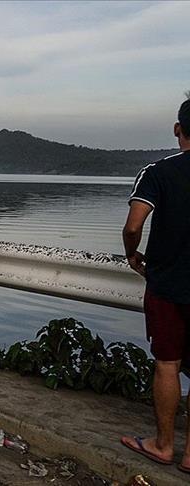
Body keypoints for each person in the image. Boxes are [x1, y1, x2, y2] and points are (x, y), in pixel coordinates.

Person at [120, 98, 190, 473]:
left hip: (167, 283)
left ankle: (164, 446)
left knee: (167, 364)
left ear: (178, 129)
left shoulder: (158, 172)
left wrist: (133, 255)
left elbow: (134, 226)